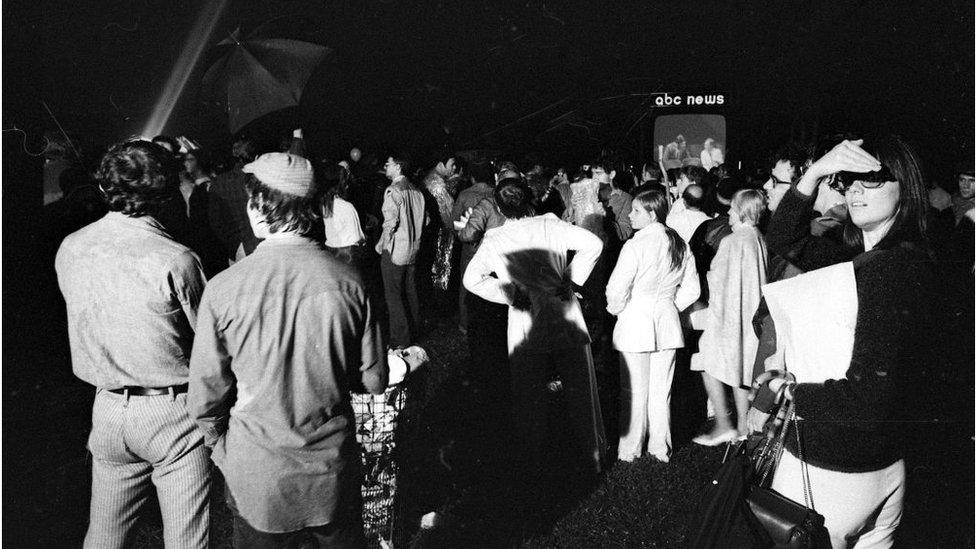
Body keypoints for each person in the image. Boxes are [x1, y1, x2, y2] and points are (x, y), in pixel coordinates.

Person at [748, 136, 954, 548]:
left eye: (873, 179)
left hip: (836, 470)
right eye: (847, 180)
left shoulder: (889, 269)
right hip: (877, 466)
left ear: (906, 186)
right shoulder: (866, 259)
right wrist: (815, 173)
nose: (856, 189)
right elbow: (785, 242)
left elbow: (869, 397)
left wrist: (785, 393)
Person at [188, 152, 388, 548]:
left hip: (258, 476)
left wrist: (220, 448)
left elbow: (204, 398)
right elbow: (375, 380)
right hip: (330, 473)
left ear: (260, 211)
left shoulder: (224, 288)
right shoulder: (351, 282)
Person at [55, 140, 210, 548]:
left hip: (106, 408)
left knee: (105, 536)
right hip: (171, 411)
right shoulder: (176, 259)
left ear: (106, 189)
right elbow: (210, 345)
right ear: (166, 192)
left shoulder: (71, 248)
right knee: (186, 541)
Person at [463, 178, 606, 475]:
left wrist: (511, 293)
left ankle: (533, 455)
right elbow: (594, 243)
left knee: (528, 389)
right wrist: (571, 277)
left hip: (525, 315)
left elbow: (471, 279)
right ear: (529, 200)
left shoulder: (496, 239)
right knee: (580, 384)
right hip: (561, 306)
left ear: (499, 208)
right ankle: (592, 453)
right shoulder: (549, 225)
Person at [606, 189, 700, 463]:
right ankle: (660, 448)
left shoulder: (635, 245)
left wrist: (619, 310)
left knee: (634, 390)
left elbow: (615, 289)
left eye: (636, 210)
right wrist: (670, 307)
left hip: (636, 320)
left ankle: (630, 449)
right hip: (666, 322)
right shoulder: (679, 244)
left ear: (652, 213)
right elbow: (692, 290)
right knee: (662, 390)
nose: (630, 215)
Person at [691, 189, 768, 444]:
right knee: (741, 370)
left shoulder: (732, 241)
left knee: (704, 361)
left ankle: (724, 423)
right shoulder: (758, 239)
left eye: (732, 208)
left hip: (728, 316)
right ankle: (744, 428)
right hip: (751, 318)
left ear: (743, 211)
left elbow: (717, 279)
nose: (728, 213)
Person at [377, 152, 427, 348]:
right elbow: (426, 220)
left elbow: (390, 223)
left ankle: (400, 341)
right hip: (413, 250)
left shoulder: (393, 190)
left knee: (393, 296)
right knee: (410, 292)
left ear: (398, 166)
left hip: (396, 251)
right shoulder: (417, 191)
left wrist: (381, 244)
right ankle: (414, 333)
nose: (385, 167)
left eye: (388, 163)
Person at [452, 160, 498, 334]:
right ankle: (490, 322)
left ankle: (465, 324)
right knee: (492, 282)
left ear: (472, 177)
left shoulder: (465, 195)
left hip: (470, 248)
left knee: (466, 284)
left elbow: (453, 222)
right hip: (493, 248)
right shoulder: (496, 194)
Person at [321, 163, 366, 268]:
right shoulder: (347, 206)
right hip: (346, 254)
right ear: (343, 184)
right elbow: (357, 237)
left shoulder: (325, 204)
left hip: (330, 249)